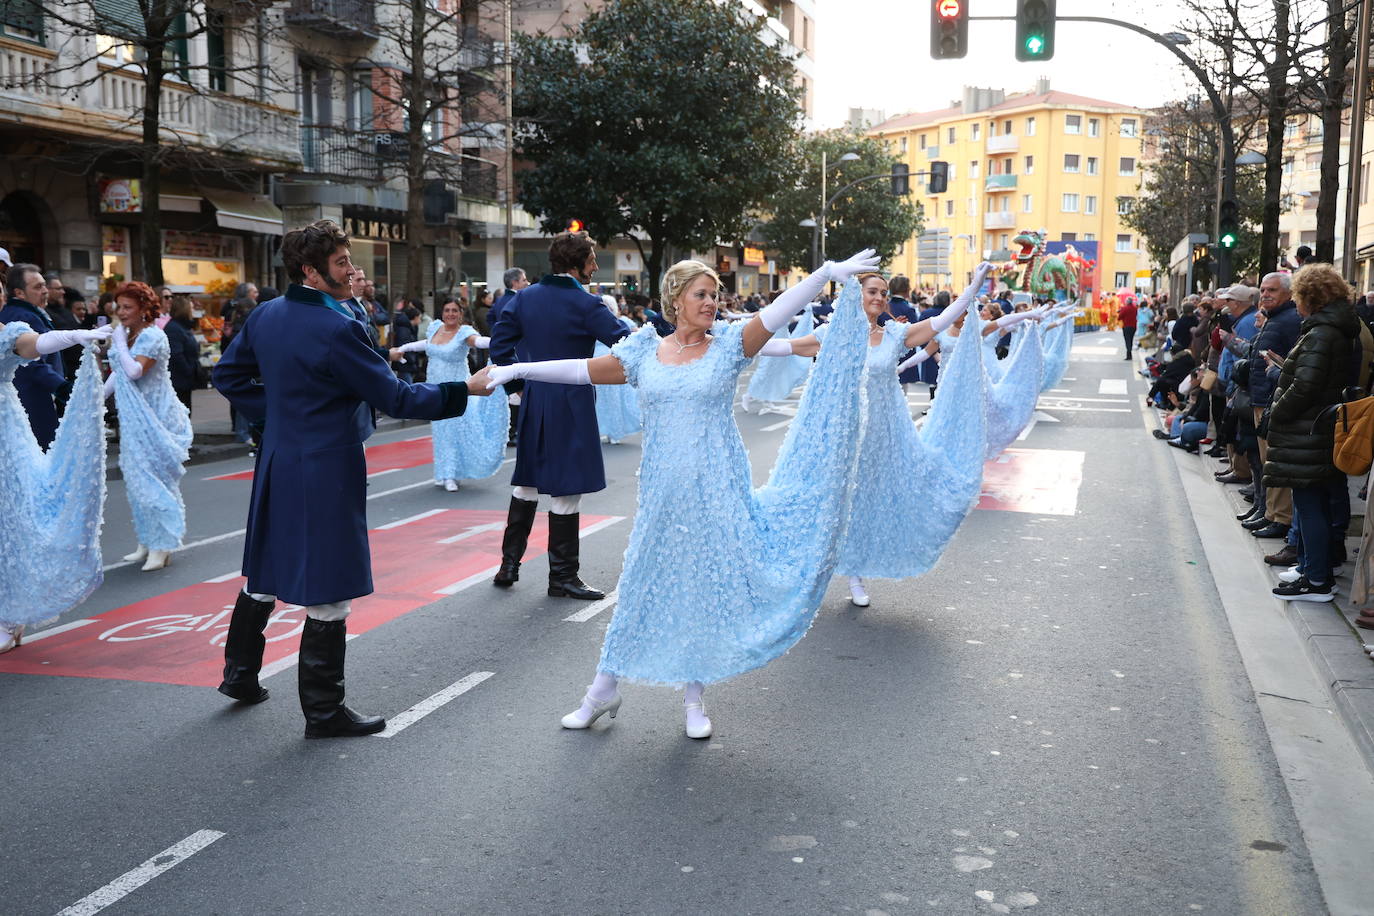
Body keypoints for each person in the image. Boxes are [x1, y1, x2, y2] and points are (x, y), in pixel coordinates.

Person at [487, 249, 879, 738]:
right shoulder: (642, 352)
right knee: (638, 588)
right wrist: (518, 371)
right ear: (676, 300)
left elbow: (773, 313)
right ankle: (602, 690)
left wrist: (821, 274)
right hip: (661, 497)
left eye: (715, 295)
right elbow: (581, 370)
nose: (711, 302)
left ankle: (695, 699)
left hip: (717, 494)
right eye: (701, 294)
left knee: (703, 589)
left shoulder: (730, 344)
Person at [213, 219, 493, 738]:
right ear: (310, 272)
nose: (351, 269)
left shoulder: (268, 314)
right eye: (340, 262)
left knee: (265, 570)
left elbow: (227, 376)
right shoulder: (337, 327)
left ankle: (240, 676)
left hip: (278, 456)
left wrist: (278, 416)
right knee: (331, 587)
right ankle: (323, 712)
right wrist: (464, 391)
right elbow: (396, 398)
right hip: (326, 463)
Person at [487, 232, 632, 600]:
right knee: (567, 491)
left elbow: (500, 347)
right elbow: (626, 343)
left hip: (536, 397)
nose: (595, 266)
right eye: (592, 259)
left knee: (526, 484)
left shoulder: (522, 299)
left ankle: (508, 565)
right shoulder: (587, 304)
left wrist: (516, 388)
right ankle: (562, 578)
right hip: (573, 399)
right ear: (576, 262)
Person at [0, 316, 111, 654]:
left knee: (11, 527)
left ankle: (7, 617)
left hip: (5, 443)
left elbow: (37, 343)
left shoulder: (8, 334)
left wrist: (74, 335)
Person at [1264, 264, 1359, 602]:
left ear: (1310, 296)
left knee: (1310, 505)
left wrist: (1279, 412)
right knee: (1312, 503)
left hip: (1308, 429)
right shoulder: (1330, 328)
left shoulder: (1322, 332)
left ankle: (1316, 578)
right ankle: (1312, 569)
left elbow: (1305, 385)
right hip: (1316, 427)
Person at [104, 281, 193, 572]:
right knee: (136, 479)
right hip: (134, 418)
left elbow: (134, 371)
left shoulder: (154, 336)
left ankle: (163, 544)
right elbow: (118, 374)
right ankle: (147, 539)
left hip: (158, 417)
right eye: (119, 307)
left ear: (144, 309)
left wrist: (117, 342)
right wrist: (95, 398)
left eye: (127, 307)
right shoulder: (129, 335)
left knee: (156, 481)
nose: (121, 312)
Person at [389, 299, 507, 491]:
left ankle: (452, 474)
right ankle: (442, 472)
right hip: (435, 389)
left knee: (453, 431)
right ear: (442, 312)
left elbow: (479, 342)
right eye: (447, 310)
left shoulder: (465, 332)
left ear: (460, 314)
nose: (450, 314)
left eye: (454, 311)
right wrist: (404, 348)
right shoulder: (435, 328)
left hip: (459, 389)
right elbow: (425, 345)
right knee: (440, 431)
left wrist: (498, 342)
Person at [0, 263, 72, 450]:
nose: (45, 291)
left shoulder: (26, 312)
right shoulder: (23, 316)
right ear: (19, 293)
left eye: (44, 285)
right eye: (38, 287)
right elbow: (34, 362)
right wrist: (62, 387)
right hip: (31, 398)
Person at [164, 294, 200, 413]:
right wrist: (188, 370)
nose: (193, 311)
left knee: (186, 409)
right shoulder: (174, 328)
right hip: (178, 379)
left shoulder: (182, 327)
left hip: (184, 379)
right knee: (181, 411)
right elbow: (176, 354)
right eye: (191, 308)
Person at [1119, 294, 1138, 359]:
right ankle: (1129, 353)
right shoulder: (1135, 308)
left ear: (1127, 302)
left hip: (1126, 326)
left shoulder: (1125, 308)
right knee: (1131, 339)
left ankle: (1129, 354)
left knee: (1127, 340)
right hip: (1133, 326)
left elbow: (1120, 317)